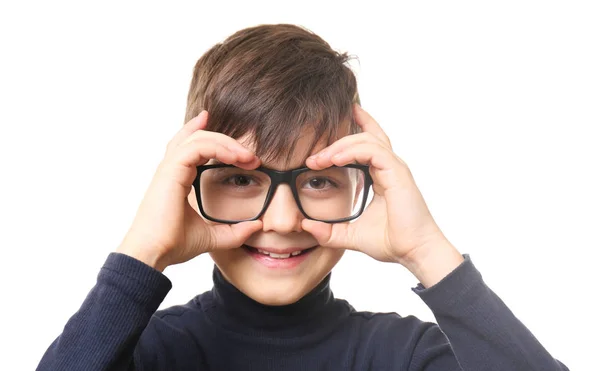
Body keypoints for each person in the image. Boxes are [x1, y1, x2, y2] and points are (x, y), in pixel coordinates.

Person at [36, 23, 569, 371]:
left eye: (318, 180)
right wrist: (141, 252)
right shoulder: (149, 354)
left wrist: (426, 250)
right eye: (241, 178)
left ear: (363, 187)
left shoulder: (407, 357)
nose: (284, 219)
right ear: (190, 190)